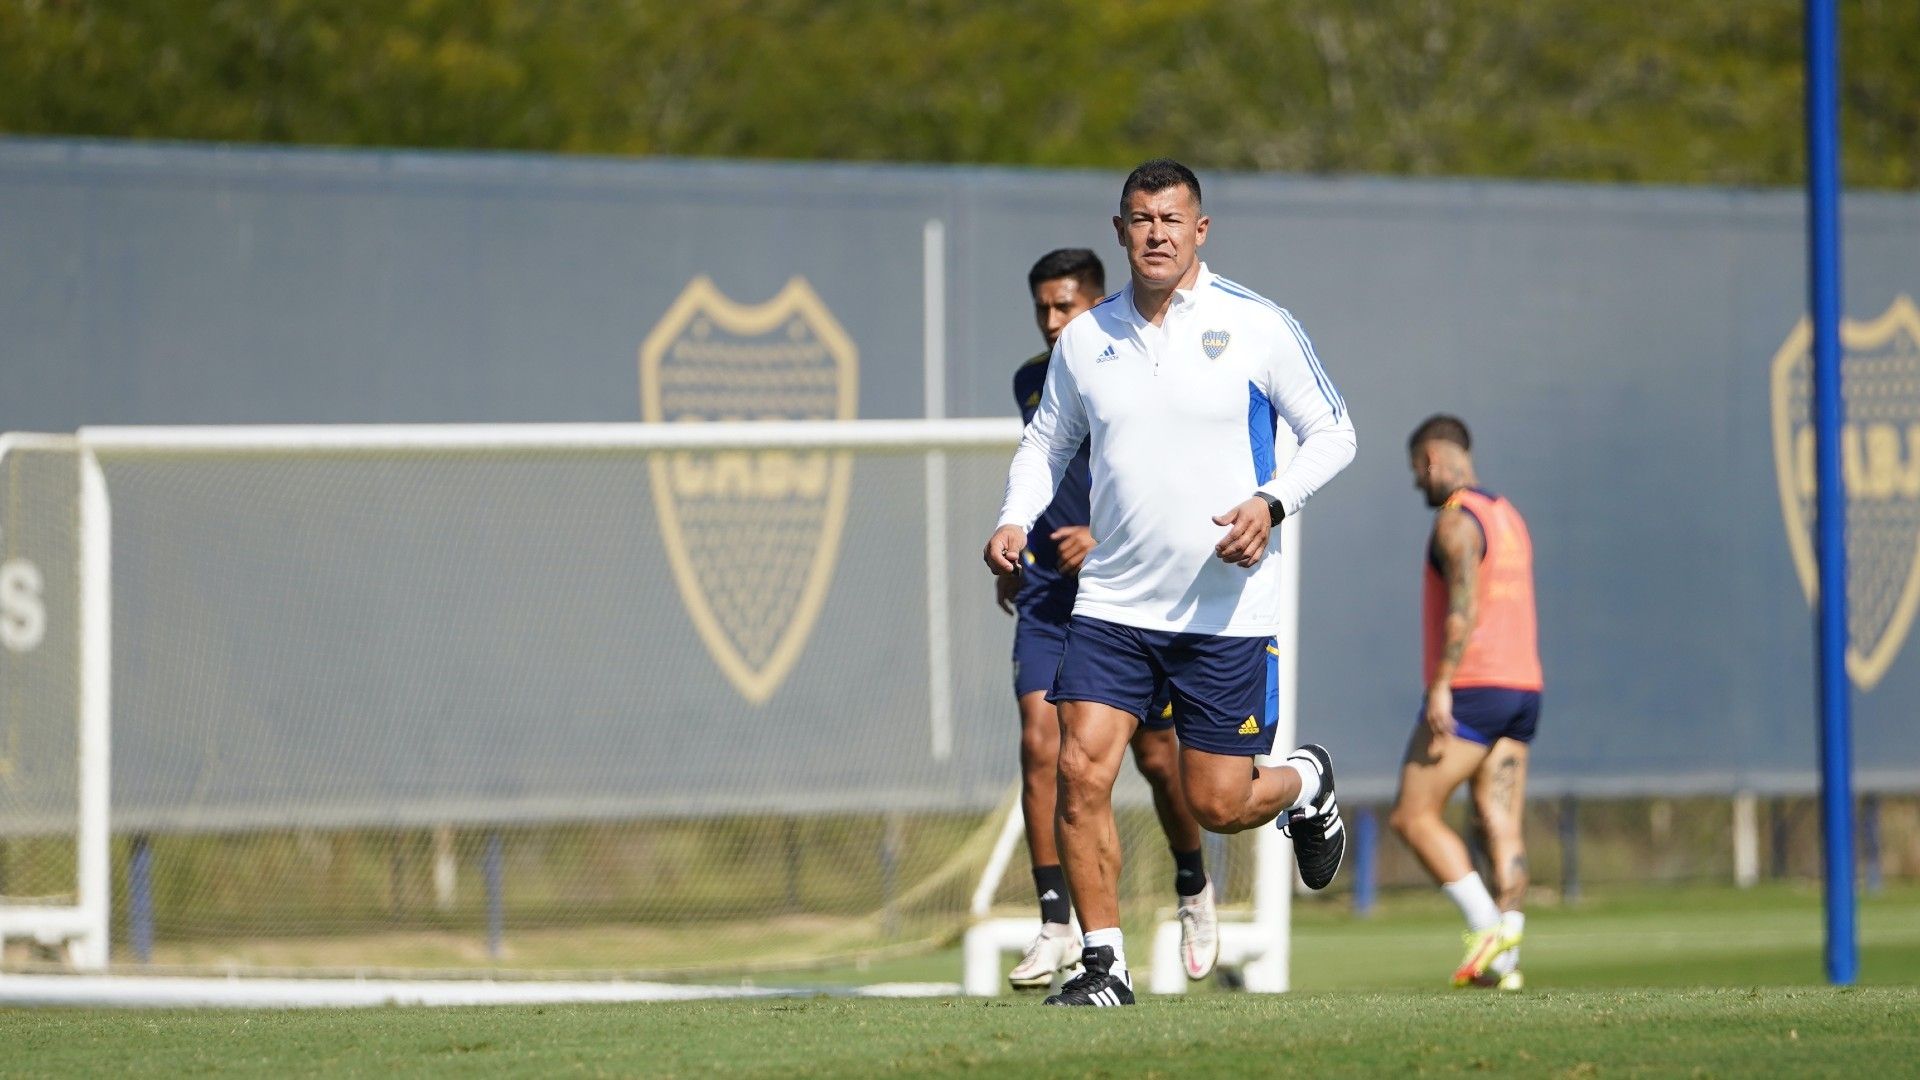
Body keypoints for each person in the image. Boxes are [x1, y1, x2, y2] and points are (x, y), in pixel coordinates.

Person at [984, 159, 1356, 1006]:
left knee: (1216, 801)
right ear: (1120, 232)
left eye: (1171, 219)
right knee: (1081, 771)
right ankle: (1103, 964)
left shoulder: (1257, 325)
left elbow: (1334, 432)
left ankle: (1306, 780)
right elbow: (1044, 444)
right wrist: (1015, 517)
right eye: (1140, 219)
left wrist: (1273, 501)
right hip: (1113, 603)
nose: (1156, 233)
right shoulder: (1086, 340)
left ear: (1201, 231)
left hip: (1225, 609)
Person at [999, 248, 1219, 991]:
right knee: (1043, 747)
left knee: (1159, 760)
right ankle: (1060, 923)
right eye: (1042, 309)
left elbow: (1161, 475)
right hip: (1049, 598)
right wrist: (1015, 538)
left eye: (1066, 307)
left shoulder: (1133, 366)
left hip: (1128, 588)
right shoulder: (1034, 380)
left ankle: (1193, 886)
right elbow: (1044, 461)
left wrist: (1107, 539)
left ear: (1097, 304)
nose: (1053, 322)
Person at [1387, 414, 1541, 991]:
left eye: (1414, 471)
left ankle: (1486, 929)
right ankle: (1507, 959)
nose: (1416, 484)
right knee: (1499, 820)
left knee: (1412, 814)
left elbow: (1464, 607)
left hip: (1475, 686)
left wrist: (1443, 681)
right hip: (1523, 687)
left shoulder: (1456, 522)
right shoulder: (1508, 516)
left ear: (1431, 459)